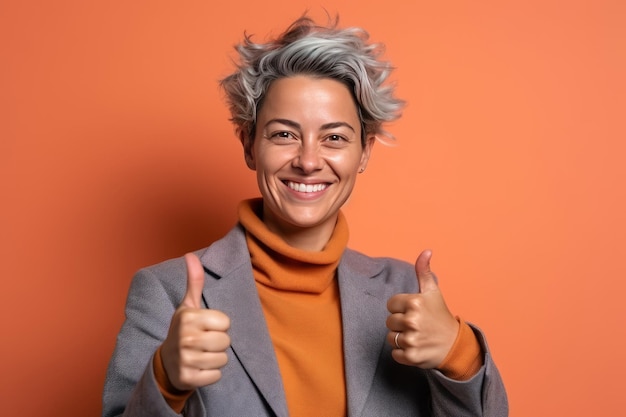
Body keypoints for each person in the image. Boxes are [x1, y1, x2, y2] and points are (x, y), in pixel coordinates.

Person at [102, 15, 508, 417]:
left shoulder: (405, 292)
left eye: (334, 137)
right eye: (284, 134)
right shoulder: (164, 291)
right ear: (249, 144)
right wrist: (165, 382)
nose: (309, 161)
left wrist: (460, 352)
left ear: (364, 152)